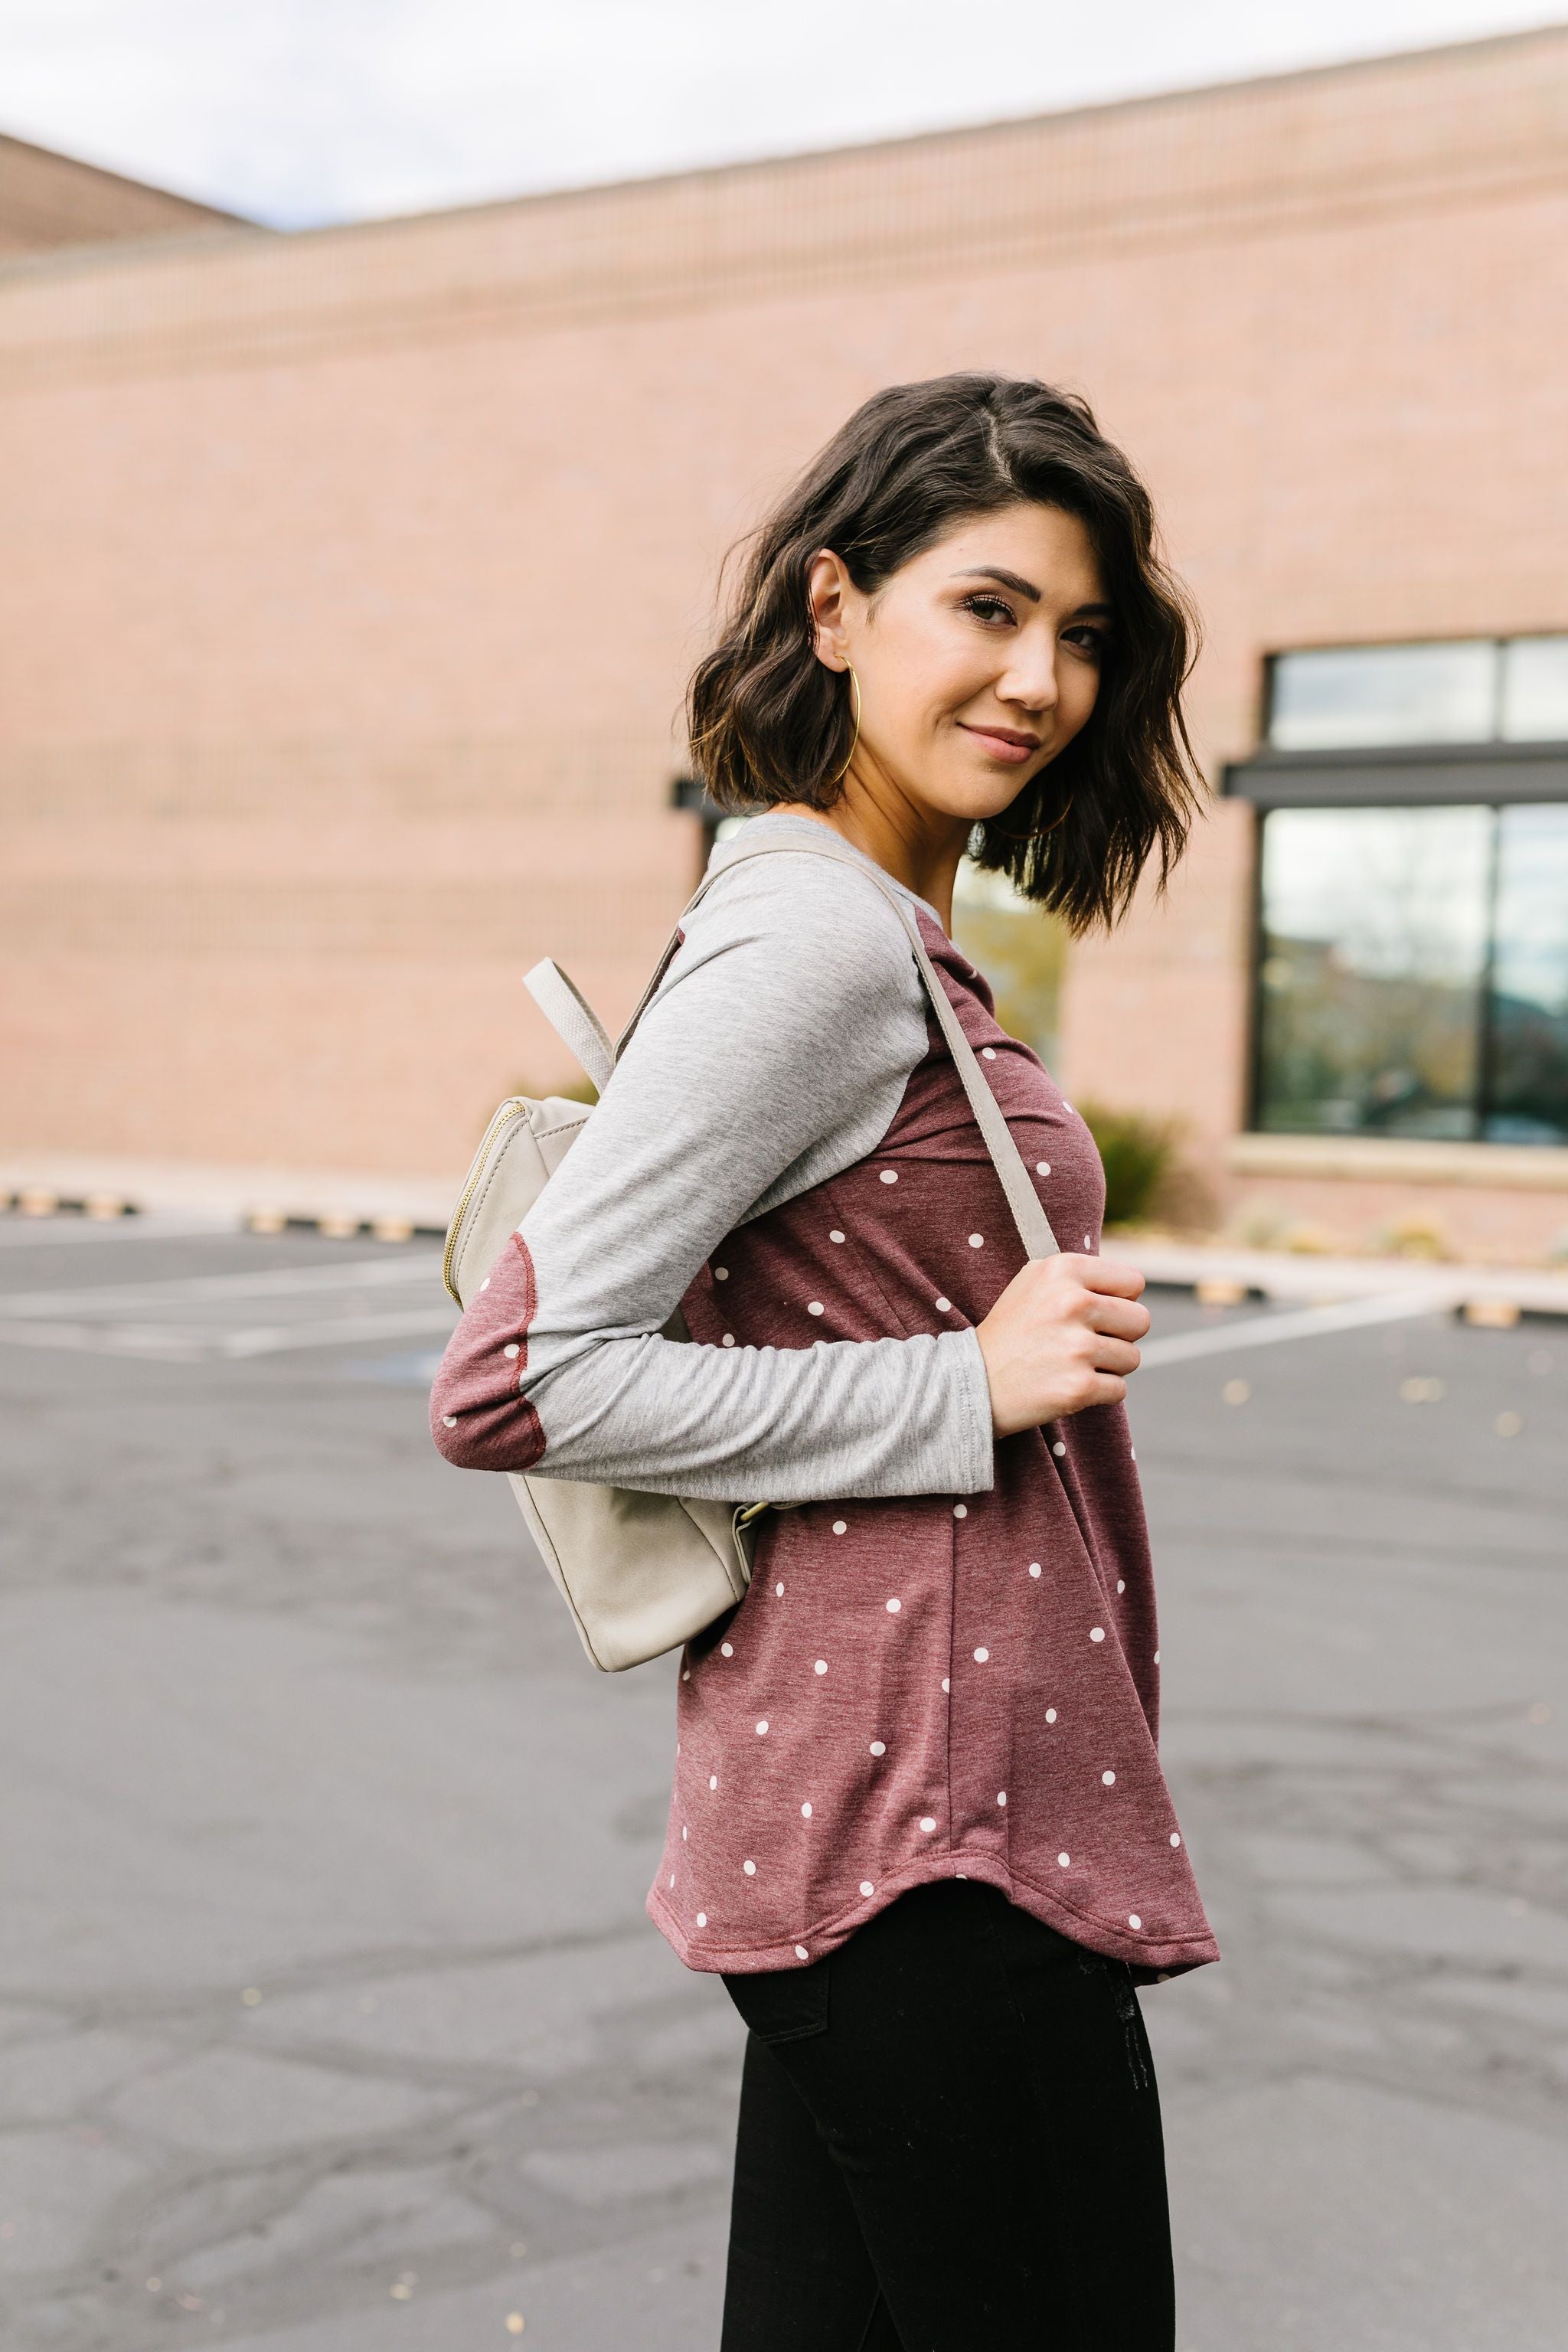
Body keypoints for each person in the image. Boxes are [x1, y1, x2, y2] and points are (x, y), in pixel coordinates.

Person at [430, 372, 1220, 2350]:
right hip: (933, 1850)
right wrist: (964, 1383)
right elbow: (517, 1379)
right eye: (988, 606)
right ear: (834, 608)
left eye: (1084, 633)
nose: (1041, 674)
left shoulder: (882, 928)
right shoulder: (819, 944)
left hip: (885, 1825)